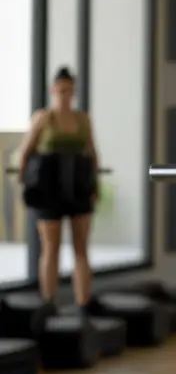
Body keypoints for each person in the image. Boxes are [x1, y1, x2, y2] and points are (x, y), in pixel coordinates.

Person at [15, 67, 99, 311]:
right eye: (60, 90)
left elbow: (92, 153)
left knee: (81, 248)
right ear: (53, 90)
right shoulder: (43, 118)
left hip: (78, 188)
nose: (64, 95)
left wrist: (95, 185)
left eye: (69, 90)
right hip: (48, 190)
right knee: (51, 247)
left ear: (74, 92)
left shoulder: (83, 119)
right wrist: (24, 182)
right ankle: (48, 304)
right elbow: (26, 152)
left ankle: (84, 303)